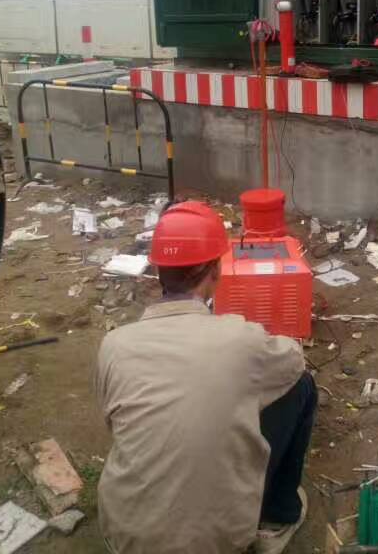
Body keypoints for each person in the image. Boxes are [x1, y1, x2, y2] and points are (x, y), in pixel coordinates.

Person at [95, 200, 316, 554]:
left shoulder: (114, 345)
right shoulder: (241, 339)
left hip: (124, 536)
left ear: (158, 269)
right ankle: (278, 514)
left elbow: (117, 423)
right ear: (215, 269)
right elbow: (294, 362)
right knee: (301, 387)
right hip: (217, 542)